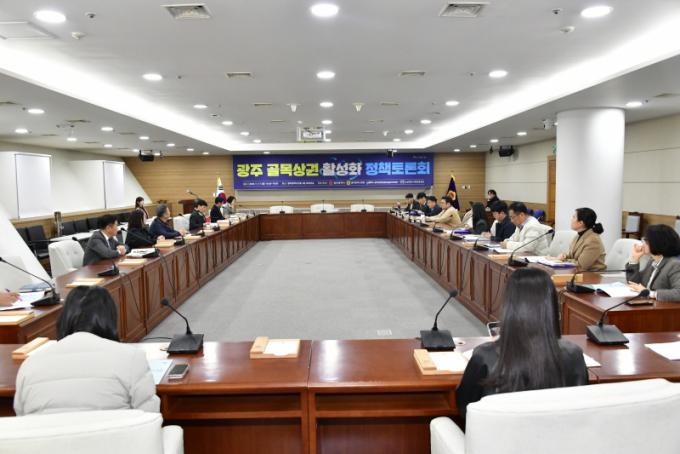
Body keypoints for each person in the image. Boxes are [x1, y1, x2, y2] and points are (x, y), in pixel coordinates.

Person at [456, 268, 588, 419]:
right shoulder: (574, 355)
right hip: (557, 432)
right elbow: (581, 408)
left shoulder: (484, 356)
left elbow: (464, 407)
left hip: (499, 433)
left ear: (509, 307)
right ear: (552, 307)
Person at [14, 286, 159, 415]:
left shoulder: (30, 364)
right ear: (110, 318)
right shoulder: (131, 357)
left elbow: (21, 415)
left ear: (64, 318)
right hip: (113, 437)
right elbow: (149, 416)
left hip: (49, 438)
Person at [626, 224, 680, 301]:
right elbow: (634, 284)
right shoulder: (652, 261)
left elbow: (678, 293)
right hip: (647, 304)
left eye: (645, 240)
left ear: (657, 242)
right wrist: (635, 259)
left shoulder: (675, 265)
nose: (642, 244)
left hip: (662, 307)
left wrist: (651, 293)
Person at [556, 208, 606, 272]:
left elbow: (580, 266)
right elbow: (573, 255)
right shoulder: (579, 235)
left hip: (592, 275)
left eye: (574, 217)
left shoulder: (593, 240)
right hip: (579, 273)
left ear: (581, 223)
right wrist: (564, 256)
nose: (571, 219)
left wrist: (562, 260)